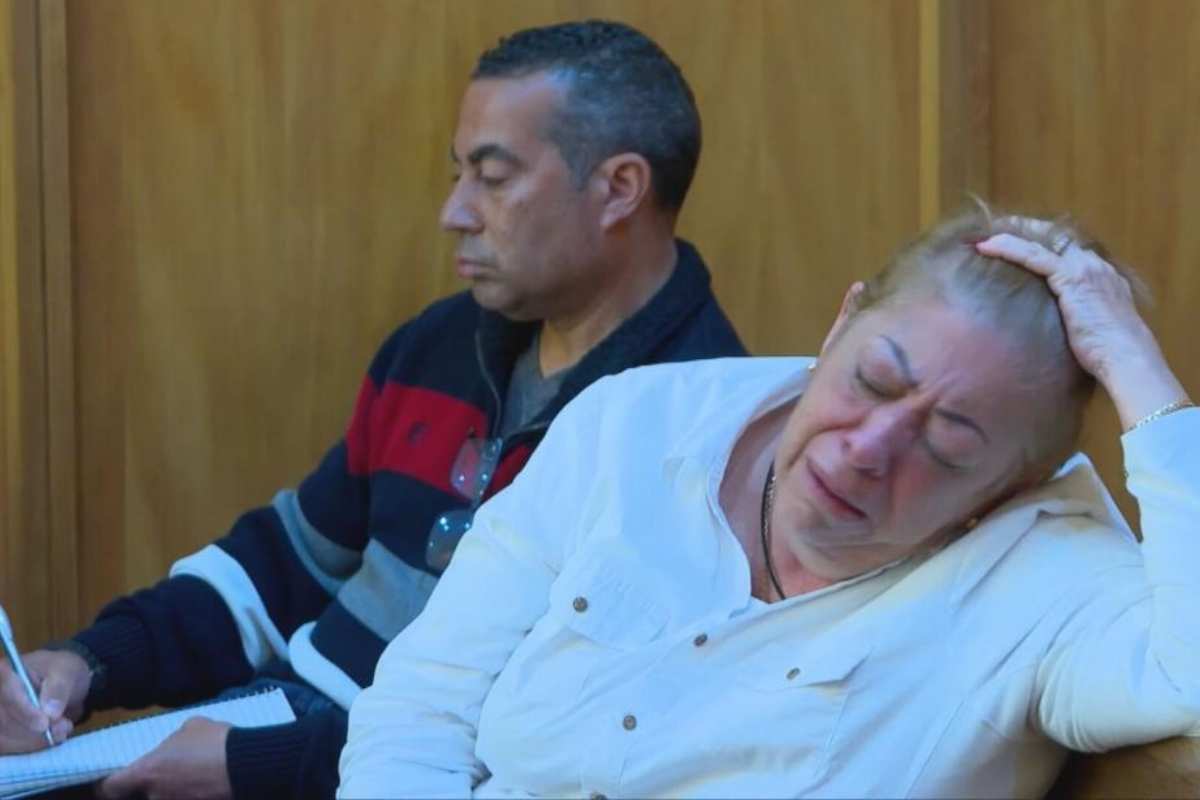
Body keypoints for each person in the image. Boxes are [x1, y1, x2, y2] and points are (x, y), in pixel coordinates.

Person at [0, 20, 746, 800]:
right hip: (278, 718)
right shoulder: (440, 343)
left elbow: (558, 744)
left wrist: (260, 765)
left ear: (619, 189)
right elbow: (288, 563)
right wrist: (91, 662)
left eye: (493, 178)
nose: (455, 212)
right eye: (458, 174)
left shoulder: (698, 438)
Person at [338, 206, 1198, 799]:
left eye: (947, 447)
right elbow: (427, 700)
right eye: (872, 380)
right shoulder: (641, 420)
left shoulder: (1045, 580)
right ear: (842, 322)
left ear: (1012, 484)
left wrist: (1140, 374)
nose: (867, 449)